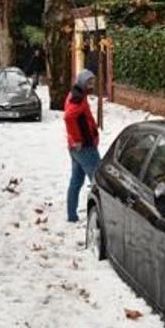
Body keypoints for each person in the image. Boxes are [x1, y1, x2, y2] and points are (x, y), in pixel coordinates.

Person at [64, 69, 100, 223]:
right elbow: (69, 117)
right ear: (82, 82)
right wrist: (78, 139)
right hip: (84, 148)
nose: (91, 85)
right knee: (99, 181)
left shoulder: (77, 94)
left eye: (93, 81)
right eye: (89, 82)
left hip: (76, 148)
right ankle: (101, 215)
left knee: (76, 181)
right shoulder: (77, 98)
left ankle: (72, 216)